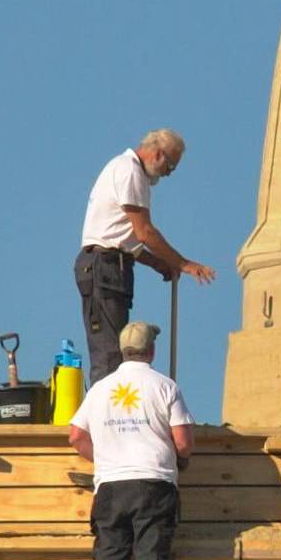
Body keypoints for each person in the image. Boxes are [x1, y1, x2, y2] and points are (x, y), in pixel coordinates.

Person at [68, 320, 195, 560]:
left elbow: (76, 436)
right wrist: (178, 457)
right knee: (151, 559)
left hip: (111, 488)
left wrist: (104, 458)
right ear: (151, 350)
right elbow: (183, 443)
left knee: (110, 559)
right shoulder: (165, 387)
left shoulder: (100, 390)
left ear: (123, 350)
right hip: (154, 485)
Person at [75, 128, 216, 385]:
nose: (168, 173)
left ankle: (112, 405)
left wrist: (156, 263)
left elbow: (122, 236)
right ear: (158, 154)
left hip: (109, 266)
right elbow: (144, 232)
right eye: (170, 166)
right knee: (110, 356)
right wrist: (182, 263)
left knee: (115, 353)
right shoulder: (130, 171)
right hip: (104, 268)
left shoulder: (126, 169)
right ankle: (104, 409)